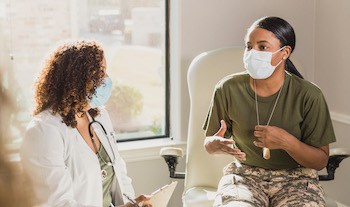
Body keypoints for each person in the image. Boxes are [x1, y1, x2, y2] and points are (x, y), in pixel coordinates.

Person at [203, 16, 336, 207]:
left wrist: (287, 142)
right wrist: (215, 144)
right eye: (249, 47)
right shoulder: (227, 89)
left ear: (285, 53)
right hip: (244, 177)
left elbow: (320, 161)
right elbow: (209, 144)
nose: (252, 53)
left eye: (262, 47)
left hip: (296, 179)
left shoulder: (309, 95)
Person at [20, 40, 151, 207]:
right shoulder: (44, 130)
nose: (106, 79)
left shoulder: (99, 116)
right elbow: (58, 203)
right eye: (100, 72)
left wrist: (132, 204)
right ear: (78, 77)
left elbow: (120, 174)